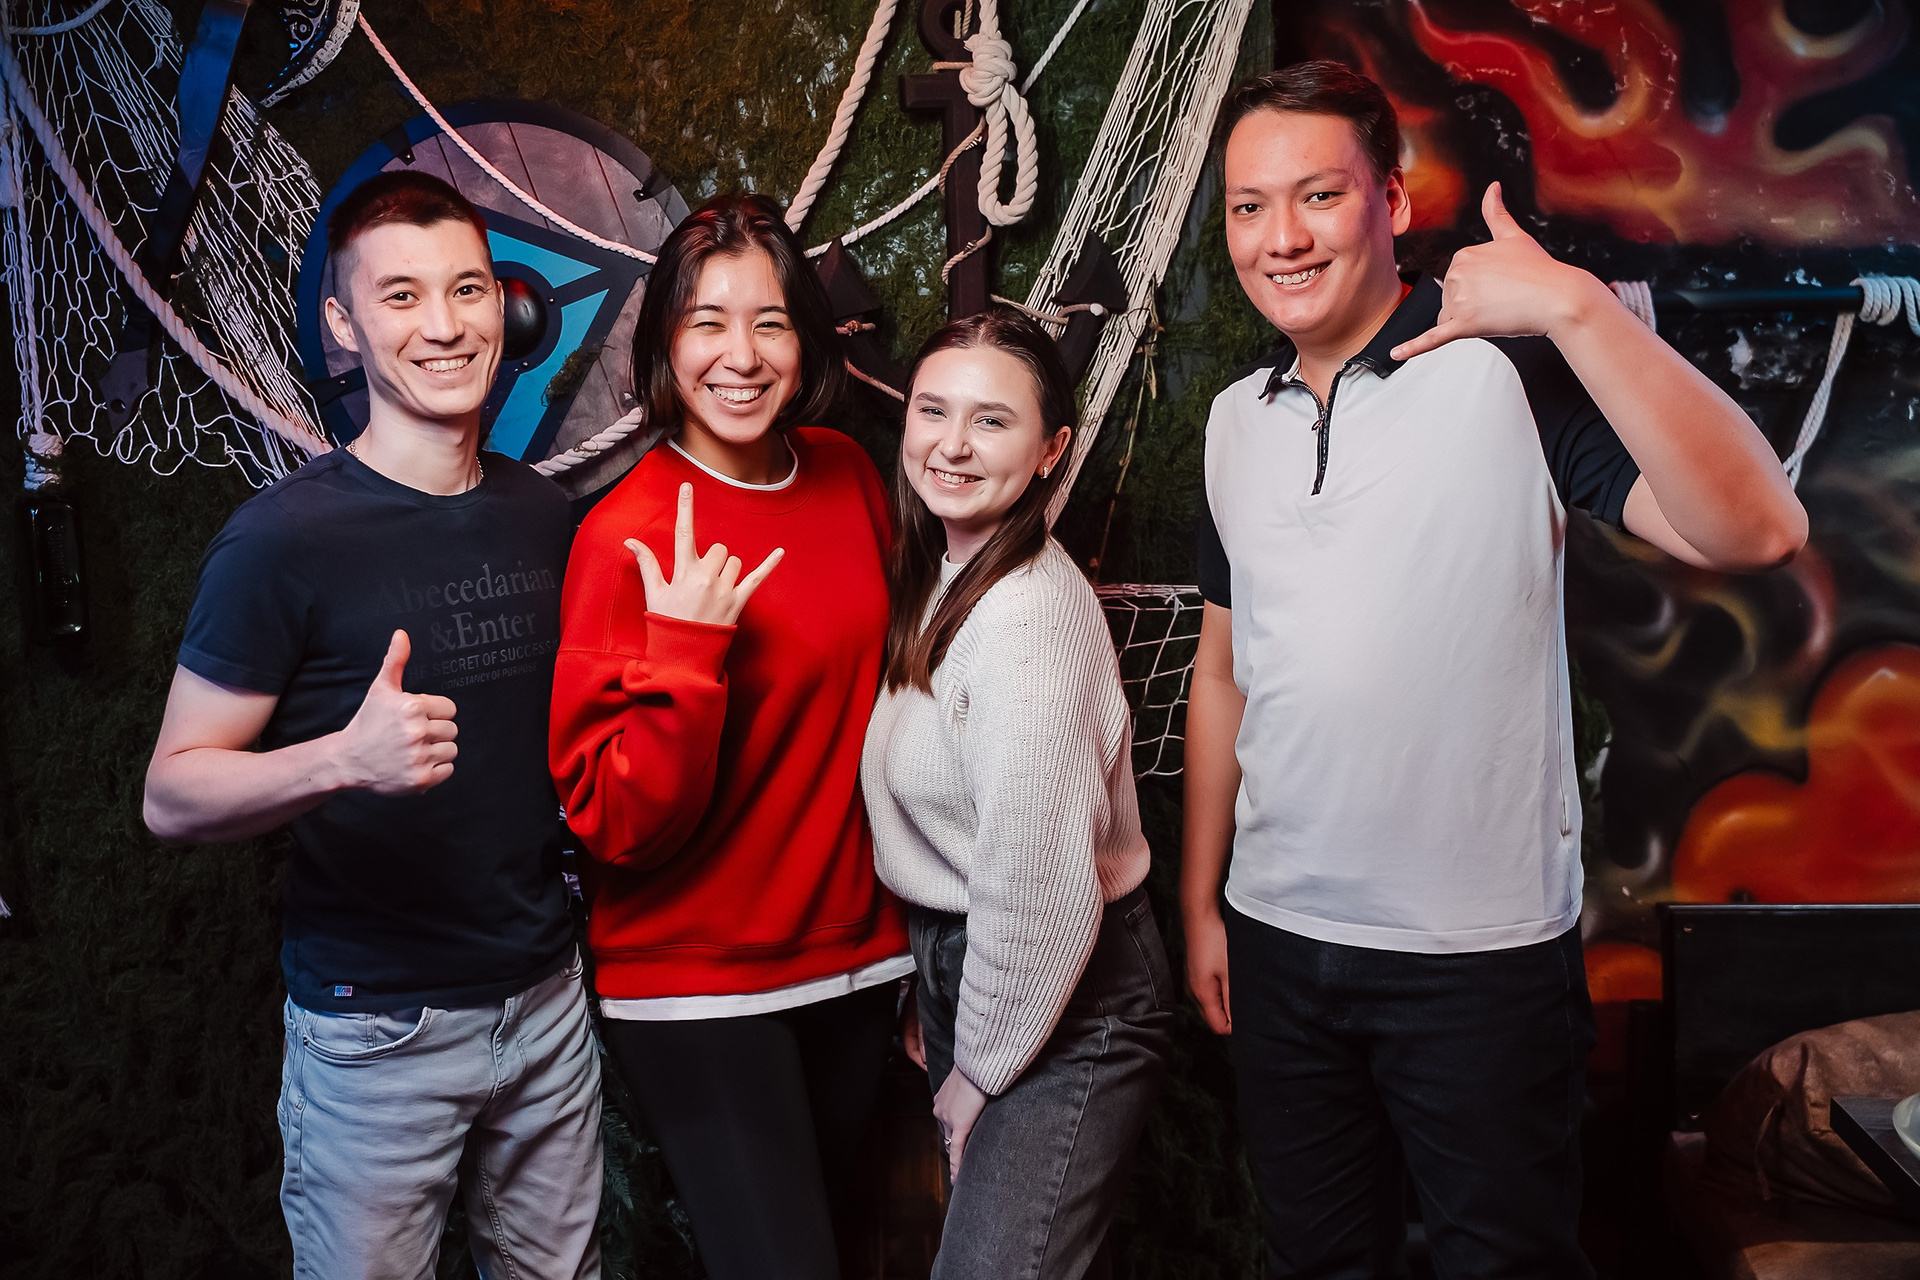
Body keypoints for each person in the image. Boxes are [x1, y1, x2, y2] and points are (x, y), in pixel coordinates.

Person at [1181, 62, 1808, 1279]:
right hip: (1278, 939)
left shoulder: (1505, 365)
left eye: (1318, 194)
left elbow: (1761, 529)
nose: (1281, 237)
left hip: (1475, 960)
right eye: (1250, 206)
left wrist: (1577, 306)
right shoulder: (1234, 420)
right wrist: (1205, 902)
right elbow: (1223, 672)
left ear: (1391, 201)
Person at [142, 171, 601, 1279]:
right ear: (344, 324)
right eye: (401, 296)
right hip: (378, 1032)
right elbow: (171, 794)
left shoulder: (546, 515)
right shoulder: (281, 541)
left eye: (468, 289)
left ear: (506, 304)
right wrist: (342, 759)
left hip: (547, 1005)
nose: (444, 325)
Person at [548, 192, 912, 1280]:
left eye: (770, 322)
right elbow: (614, 824)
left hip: (854, 960)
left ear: (805, 340)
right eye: (708, 322)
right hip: (698, 981)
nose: (741, 356)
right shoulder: (624, 534)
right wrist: (684, 656)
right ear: (666, 342)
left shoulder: (848, 474)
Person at [862, 308, 1175, 1280]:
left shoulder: (1028, 618)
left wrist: (981, 1068)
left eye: (991, 420)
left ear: (1051, 451)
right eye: (932, 410)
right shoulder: (947, 568)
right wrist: (933, 976)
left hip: (1066, 986)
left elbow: (1039, 887)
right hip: (984, 962)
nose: (951, 444)